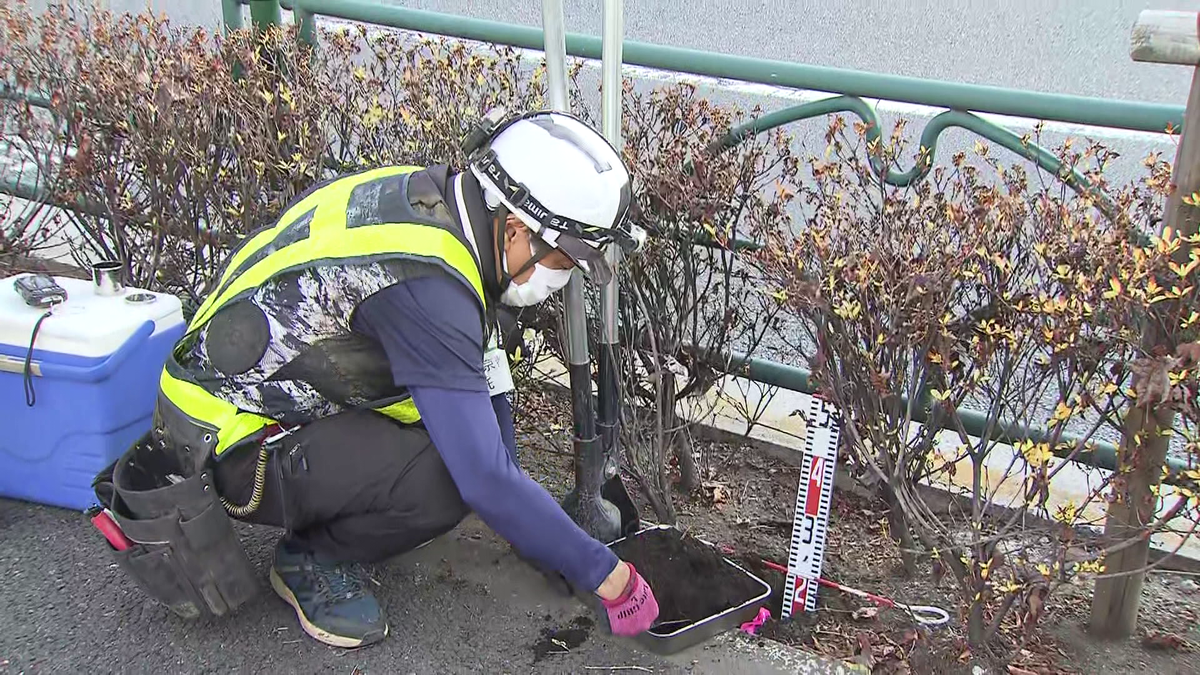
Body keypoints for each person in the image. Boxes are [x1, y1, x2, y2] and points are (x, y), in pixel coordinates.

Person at [147, 108, 658, 648]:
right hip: (227, 445)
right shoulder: (431, 289)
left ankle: (328, 520)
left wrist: (543, 538)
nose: (564, 277)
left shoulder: (446, 211)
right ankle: (311, 558)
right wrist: (609, 578)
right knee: (445, 482)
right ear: (516, 230)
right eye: (565, 260)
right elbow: (484, 477)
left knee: (466, 456)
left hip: (240, 405)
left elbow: (493, 423)